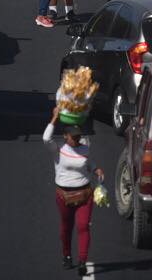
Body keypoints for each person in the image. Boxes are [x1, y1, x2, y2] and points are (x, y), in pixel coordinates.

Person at [42, 111, 105, 272]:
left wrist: (96, 169)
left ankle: (83, 261)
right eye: (73, 136)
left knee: (83, 226)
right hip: (64, 195)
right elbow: (45, 138)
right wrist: (55, 117)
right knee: (66, 227)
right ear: (65, 136)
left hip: (84, 193)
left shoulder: (85, 148)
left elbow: (88, 163)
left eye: (78, 136)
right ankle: (67, 256)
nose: (76, 138)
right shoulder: (57, 150)